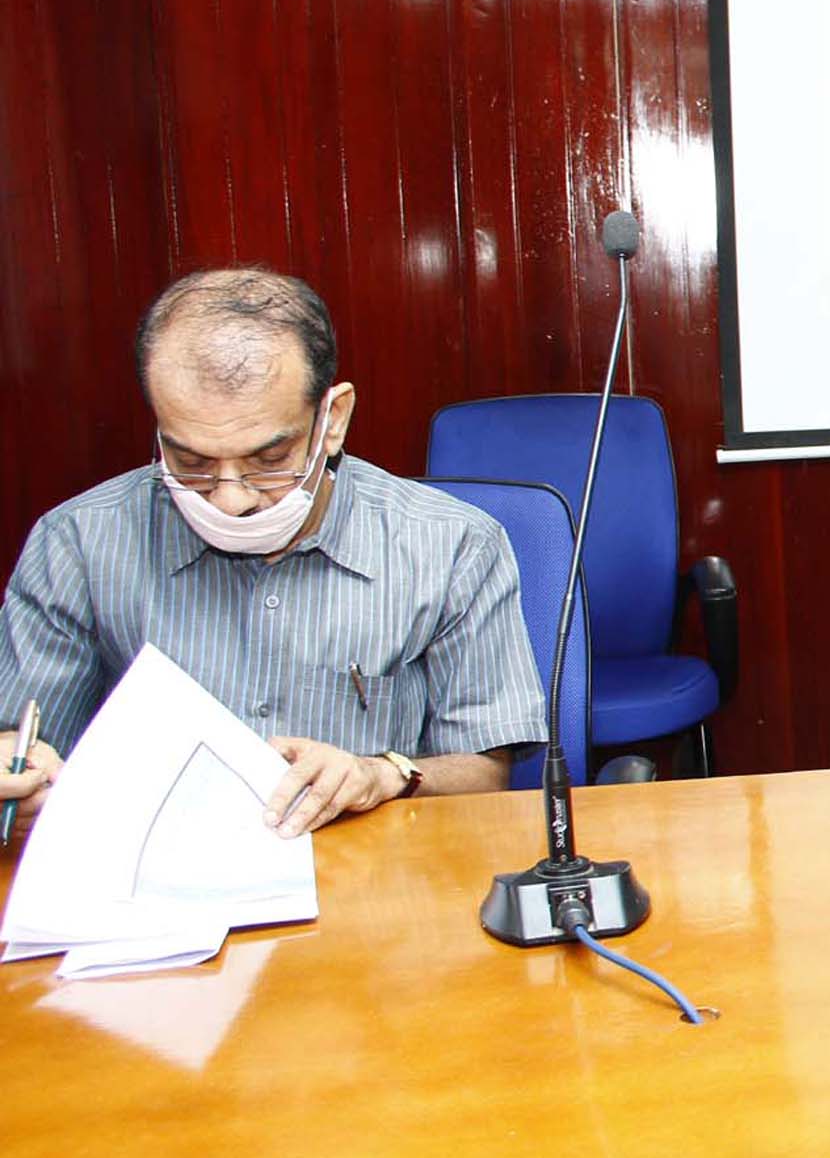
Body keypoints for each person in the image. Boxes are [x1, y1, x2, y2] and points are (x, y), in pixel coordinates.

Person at [0, 268, 548, 838]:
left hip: (367, 867)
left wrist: (381, 775)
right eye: (191, 462)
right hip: (149, 864)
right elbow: (23, 744)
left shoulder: (451, 543)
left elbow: (486, 773)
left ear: (332, 420)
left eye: (268, 461)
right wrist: (18, 773)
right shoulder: (77, 544)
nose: (231, 499)